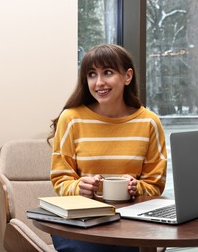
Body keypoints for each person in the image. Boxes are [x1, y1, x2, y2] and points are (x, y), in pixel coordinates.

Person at [47, 44, 167, 252]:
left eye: (108, 73)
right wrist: (79, 188)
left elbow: (155, 185)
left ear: (127, 76)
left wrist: (136, 188)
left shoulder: (149, 122)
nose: (99, 82)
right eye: (92, 74)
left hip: (129, 222)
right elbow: (60, 179)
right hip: (80, 221)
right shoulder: (71, 119)